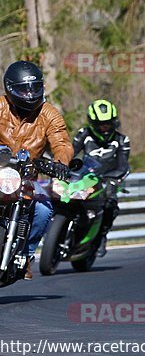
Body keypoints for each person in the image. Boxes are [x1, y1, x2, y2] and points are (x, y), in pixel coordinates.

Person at [0, 61, 72, 280]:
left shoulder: (49, 114)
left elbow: (61, 142)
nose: (30, 94)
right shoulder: (1, 107)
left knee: (42, 209)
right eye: (24, 89)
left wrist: (60, 163)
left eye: (35, 88)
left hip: (26, 177)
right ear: (10, 88)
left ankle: (25, 255)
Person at [72, 99, 130, 257]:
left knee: (111, 204)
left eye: (108, 123)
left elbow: (123, 166)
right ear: (92, 123)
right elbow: (69, 153)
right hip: (85, 178)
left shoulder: (122, 140)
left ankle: (102, 235)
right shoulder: (84, 135)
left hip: (108, 180)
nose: (104, 128)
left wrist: (113, 179)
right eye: (100, 124)